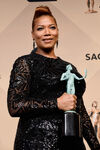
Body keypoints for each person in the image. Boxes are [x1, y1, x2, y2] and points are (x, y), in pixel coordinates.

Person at [7, 6, 100, 150]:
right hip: (34, 143)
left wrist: (96, 146)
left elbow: (80, 111)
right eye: (40, 28)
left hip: (70, 144)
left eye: (52, 27)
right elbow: (15, 106)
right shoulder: (25, 63)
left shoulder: (69, 67)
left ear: (58, 32)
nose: (47, 33)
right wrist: (56, 103)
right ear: (32, 34)